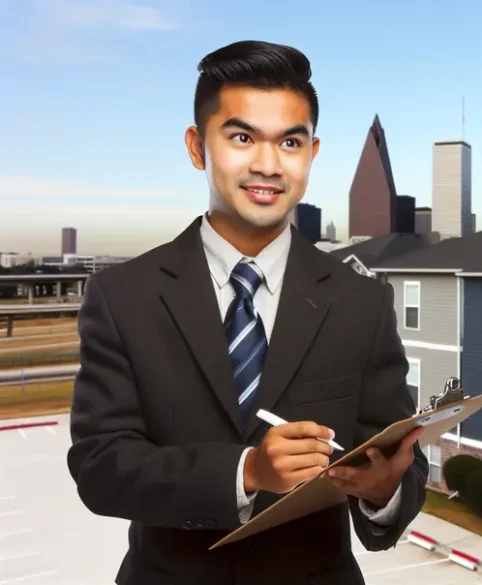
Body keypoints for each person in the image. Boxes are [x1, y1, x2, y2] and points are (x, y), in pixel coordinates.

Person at [66, 40, 428, 585]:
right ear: (196, 146)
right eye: (241, 137)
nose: (267, 164)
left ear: (312, 152)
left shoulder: (362, 302)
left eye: (289, 141)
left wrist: (385, 491)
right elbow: (100, 468)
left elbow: (397, 459)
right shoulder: (123, 296)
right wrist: (248, 471)